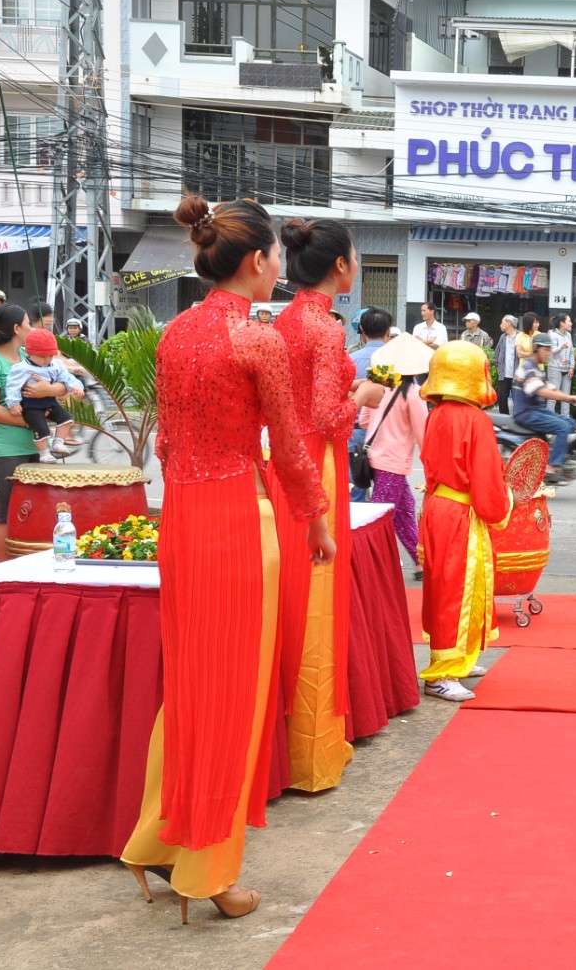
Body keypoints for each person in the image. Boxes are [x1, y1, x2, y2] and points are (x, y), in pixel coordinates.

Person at [121, 194, 333, 922]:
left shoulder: (175, 333)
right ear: (256, 261)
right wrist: (316, 522)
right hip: (237, 518)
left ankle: (157, 840)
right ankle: (207, 869)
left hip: (183, 516)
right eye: (274, 257)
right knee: (234, 693)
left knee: (191, 683)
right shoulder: (255, 340)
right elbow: (291, 448)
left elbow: (166, 443)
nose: (278, 269)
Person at [269, 217, 360, 795]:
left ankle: (286, 750)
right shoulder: (324, 328)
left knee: (290, 598)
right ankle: (311, 753)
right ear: (340, 265)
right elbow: (329, 415)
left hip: (283, 460)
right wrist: (364, 396)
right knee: (317, 604)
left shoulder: (282, 319)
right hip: (318, 462)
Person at [418, 341, 513, 703]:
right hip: (459, 513)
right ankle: (442, 672)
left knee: (444, 587)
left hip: (437, 507)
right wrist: (504, 504)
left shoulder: (436, 414)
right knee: (457, 590)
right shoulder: (476, 420)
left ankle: (457, 656)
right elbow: (487, 478)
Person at [0, 304, 61, 560]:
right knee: (7, 514)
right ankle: (3, 572)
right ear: (16, 328)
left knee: (39, 511)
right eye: (28, 324)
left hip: (38, 447)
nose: (32, 329)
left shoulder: (28, 355)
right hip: (4, 451)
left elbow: (62, 381)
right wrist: (32, 424)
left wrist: (49, 390)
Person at [353, 334, 431, 566]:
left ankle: (420, 560)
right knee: (381, 518)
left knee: (404, 510)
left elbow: (364, 421)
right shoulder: (413, 393)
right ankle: (367, 563)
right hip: (393, 462)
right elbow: (423, 435)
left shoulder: (380, 385)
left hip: (375, 457)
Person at [512, 332, 576, 483]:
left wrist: (572, 398)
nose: (549, 353)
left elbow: (551, 388)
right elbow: (542, 391)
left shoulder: (538, 369)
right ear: (536, 348)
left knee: (571, 423)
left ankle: (559, 456)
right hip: (526, 413)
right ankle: (551, 468)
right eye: (546, 349)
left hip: (536, 410)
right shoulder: (528, 368)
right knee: (563, 427)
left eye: (550, 349)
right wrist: (568, 398)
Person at [4, 328, 84, 463]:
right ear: (30, 352)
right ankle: (44, 453)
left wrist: (76, 387)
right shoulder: (21, 368)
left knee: (67, 419)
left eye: (50, 355)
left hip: (50, 402)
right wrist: (13, 403)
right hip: (31, 405)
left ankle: (58, 442)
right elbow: (13, 386)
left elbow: (66, 377)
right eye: (42, 356)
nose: (47, 359)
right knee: (41, 429)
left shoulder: (56, 365)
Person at [346, 308, 393, 503]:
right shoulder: (398, 361)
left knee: (354, 495)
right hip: (389, 434)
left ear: (362, 331)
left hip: (355, 432)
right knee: (386, 496)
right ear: (388, 332)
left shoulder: (350, 360)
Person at [546, 313, 575, 415]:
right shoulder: (552, 335)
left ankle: (565, 420)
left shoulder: (568, 335)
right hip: (555, 369)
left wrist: (572, 367)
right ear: (562, 323)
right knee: (552, 397)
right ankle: (549, 420)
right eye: (569, 321)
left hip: (567, 370)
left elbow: (571, 352)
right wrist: (561, 347)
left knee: (566, 398)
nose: (571, 323)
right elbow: (552, 351)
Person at [494, 315, 518, 415]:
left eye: (502, 322)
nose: (500, 325)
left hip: (517, 375)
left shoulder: (520, 336)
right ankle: (504, 419)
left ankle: (518, 419)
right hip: (504, 374)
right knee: (501, 398)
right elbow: (497, 353)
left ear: (508, 323)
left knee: (517, 400)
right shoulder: (503, 337)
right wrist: (497, 365)